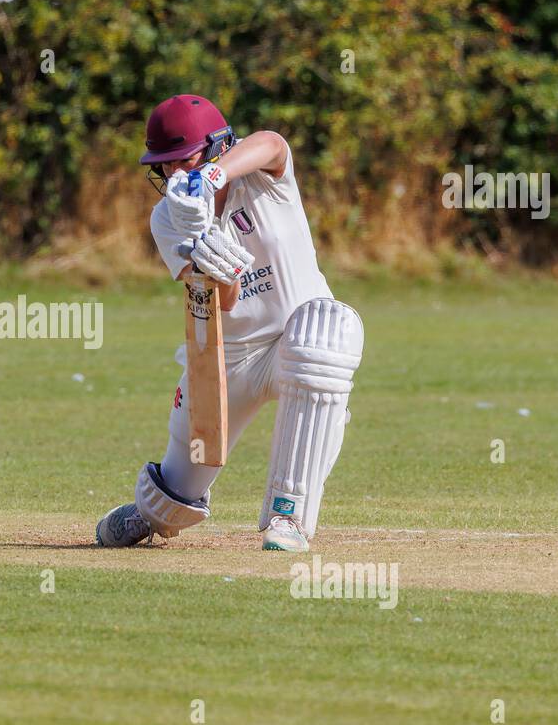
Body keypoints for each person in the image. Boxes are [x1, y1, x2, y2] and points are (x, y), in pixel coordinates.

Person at [96, 94, 363, 551]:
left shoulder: (264, 179)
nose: (176, 175)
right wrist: (205, 247)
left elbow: (272, 142)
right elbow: (224, 302)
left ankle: (288, 518)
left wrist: (212, 175)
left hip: (295, 339)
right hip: (230, 359)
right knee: (175, 502)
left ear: (219, 147)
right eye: (166, 166)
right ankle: (147, 513)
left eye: (187, 160)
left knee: (324, 333)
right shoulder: (167, 220)